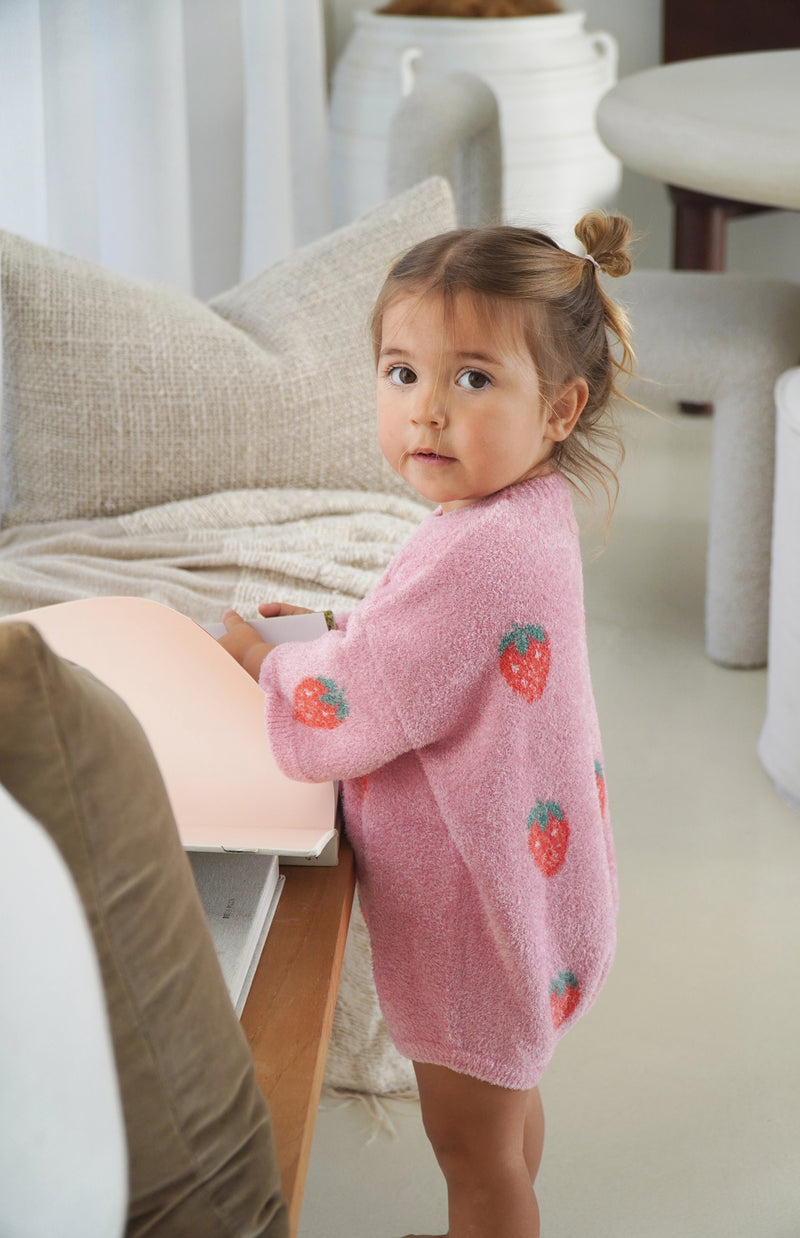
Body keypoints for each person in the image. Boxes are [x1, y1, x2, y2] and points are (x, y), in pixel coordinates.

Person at [219, 211, 634, 1238]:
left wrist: (271, 664)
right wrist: (332, 634)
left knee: (470, 1148)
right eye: (402, 373)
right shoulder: (521, 517)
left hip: (470, 915)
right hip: (524, 885)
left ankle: (490, 1221)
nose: (427, 413)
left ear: (558, 408)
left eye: (472, 379)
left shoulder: (478, 554)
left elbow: (366, 696)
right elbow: (419, 653)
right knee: (505, 1109)